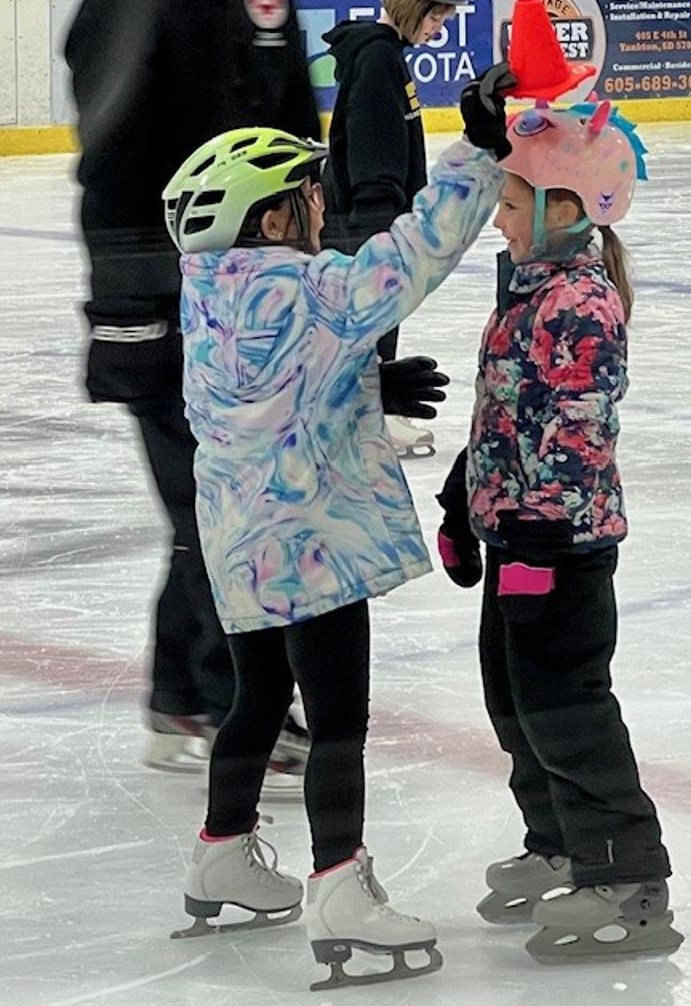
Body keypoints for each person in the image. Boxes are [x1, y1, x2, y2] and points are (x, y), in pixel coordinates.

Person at [162, 66, 514, 989]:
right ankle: (340, 890)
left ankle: (220, 855)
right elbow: (414, 255)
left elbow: (266, 389)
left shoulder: (206, 292)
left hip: (238, 542)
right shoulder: (312, 287)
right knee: (338, 722)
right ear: (274, 219)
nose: (319, 205)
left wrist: (359, 377)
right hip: (312, 542)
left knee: (255, 699)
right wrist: (479, 150)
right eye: (306, 194)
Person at [436, 101, 685, 961]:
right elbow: (508, 410)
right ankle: (558, 844)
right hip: (515, 536)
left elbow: (578, 430)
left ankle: (627, 875)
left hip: (561, 550)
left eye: (511, 204)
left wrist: (537, 542)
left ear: (564, 208)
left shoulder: (579, 302)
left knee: (568, 711)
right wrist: (463, 495)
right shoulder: (529, 290)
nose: (498, 219)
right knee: (516, 706)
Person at [64, 0, 320, 784]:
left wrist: (312, 275)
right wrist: (128, 310)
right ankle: (230, 703)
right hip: (166, 309)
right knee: (218, 508)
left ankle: (180, 690)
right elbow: (110, 164)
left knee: (213, 504)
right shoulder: (130, 1)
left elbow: (295, 142)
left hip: (250, 300)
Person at [321, 0, 469, 458]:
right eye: (434, 17)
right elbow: (372, 144)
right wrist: (379, 225)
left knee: (380, 319)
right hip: (368, 220)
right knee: (370, 321)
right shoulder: (377, 59)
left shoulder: (386, 55)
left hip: (379, 216)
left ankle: (373, 412)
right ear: (411, 8)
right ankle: (371, 417)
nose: (437, 29)